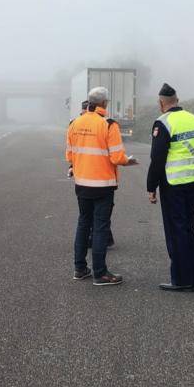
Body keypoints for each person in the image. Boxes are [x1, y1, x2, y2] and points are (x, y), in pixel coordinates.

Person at [66, 86, 136, 285]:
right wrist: (127, 161)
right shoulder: (108, 125)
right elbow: (117, 157)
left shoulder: (74, 123)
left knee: (83, 224)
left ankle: (80, 269)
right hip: (103, 185)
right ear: (105, 103)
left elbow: (69, 155)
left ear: (89, 102)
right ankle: (100, 273)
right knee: (100, 228)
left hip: (81, 184)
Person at [147, 83, 194, 292]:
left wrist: (151, 186)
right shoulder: (193, 119)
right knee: (188, 229)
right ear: (177, 100)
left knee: (176, 231)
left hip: (172, 184)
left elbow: (157, 158)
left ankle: (181, 280)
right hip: (192, 182)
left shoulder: (163, 123)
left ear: (162, 103)